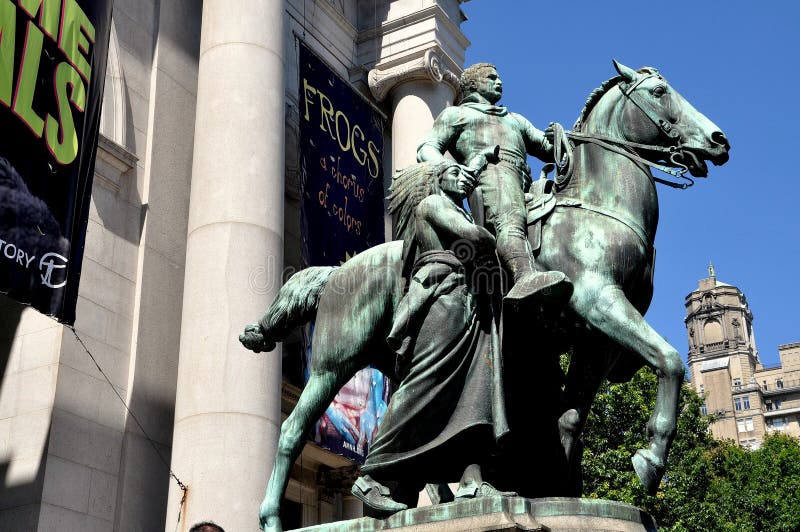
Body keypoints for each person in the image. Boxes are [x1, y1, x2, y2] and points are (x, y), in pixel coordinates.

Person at [352, 159, 511, 512]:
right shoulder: (433, 203)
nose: (463, 176)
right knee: (425, 382)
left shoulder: (457, 207)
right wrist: (486, 231)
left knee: (474, 390)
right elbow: (476, 237)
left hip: (467, 299)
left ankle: (472, 480)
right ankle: (371, 476)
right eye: (454, 172)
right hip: (444, 298)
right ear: (436, 180)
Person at [417, 62, 572, 305]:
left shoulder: (514, 118)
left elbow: (546, 147)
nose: (499, 82)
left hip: (523, 179)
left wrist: (558, 137)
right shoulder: (457, 114)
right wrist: (453, 170)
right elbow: (427, 148)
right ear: (472, 84)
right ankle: (524, 276)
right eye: (491, 78)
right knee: (510, 219)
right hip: (491, 174)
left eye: (498, 78)